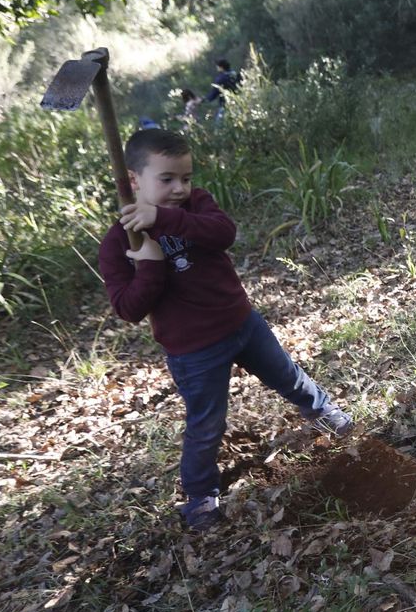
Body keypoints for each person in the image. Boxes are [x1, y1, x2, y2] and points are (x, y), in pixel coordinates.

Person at [98, 129, 355, 532]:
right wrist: (149, 264)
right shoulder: (119, 243)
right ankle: (201, 494)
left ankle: (324, 412)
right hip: (193, 350)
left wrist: (164, 217)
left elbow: (223, 234)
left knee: (288, 376)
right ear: (134, 180)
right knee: (207, 423)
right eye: (166, 179)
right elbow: (128, 308)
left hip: (241, 323)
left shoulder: (195, 206)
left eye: (186, 177)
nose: (180, 188)